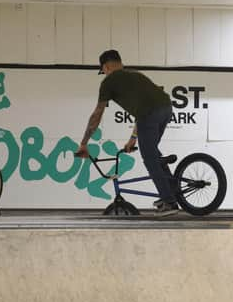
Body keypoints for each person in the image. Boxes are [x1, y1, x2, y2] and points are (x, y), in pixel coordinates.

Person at [75, 49, 178, 216]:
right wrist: (133, 138)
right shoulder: (136, 75)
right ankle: (172, 191)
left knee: (150, 158)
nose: (105, 74)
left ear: (106, 67)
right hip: (166, 109)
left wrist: (84, 143)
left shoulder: (108, 82)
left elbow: (97, 114)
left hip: (150, 115)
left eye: (104, 71)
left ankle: (169, 201)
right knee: (153, 152)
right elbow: (143, 109)